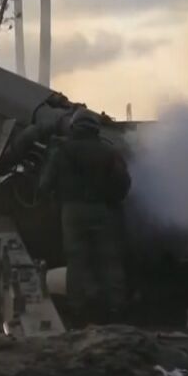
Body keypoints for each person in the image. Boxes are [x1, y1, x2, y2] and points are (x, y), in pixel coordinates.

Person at [38, 112, 131, 325]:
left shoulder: (62, 151)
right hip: (102, 210)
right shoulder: (109, 152)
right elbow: (123, 183)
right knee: (109, 260)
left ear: (74, 127)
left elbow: (45, 184)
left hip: (72, 212)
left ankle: (78, 312)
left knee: (76, 261)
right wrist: (111, 201)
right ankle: (116, 311)